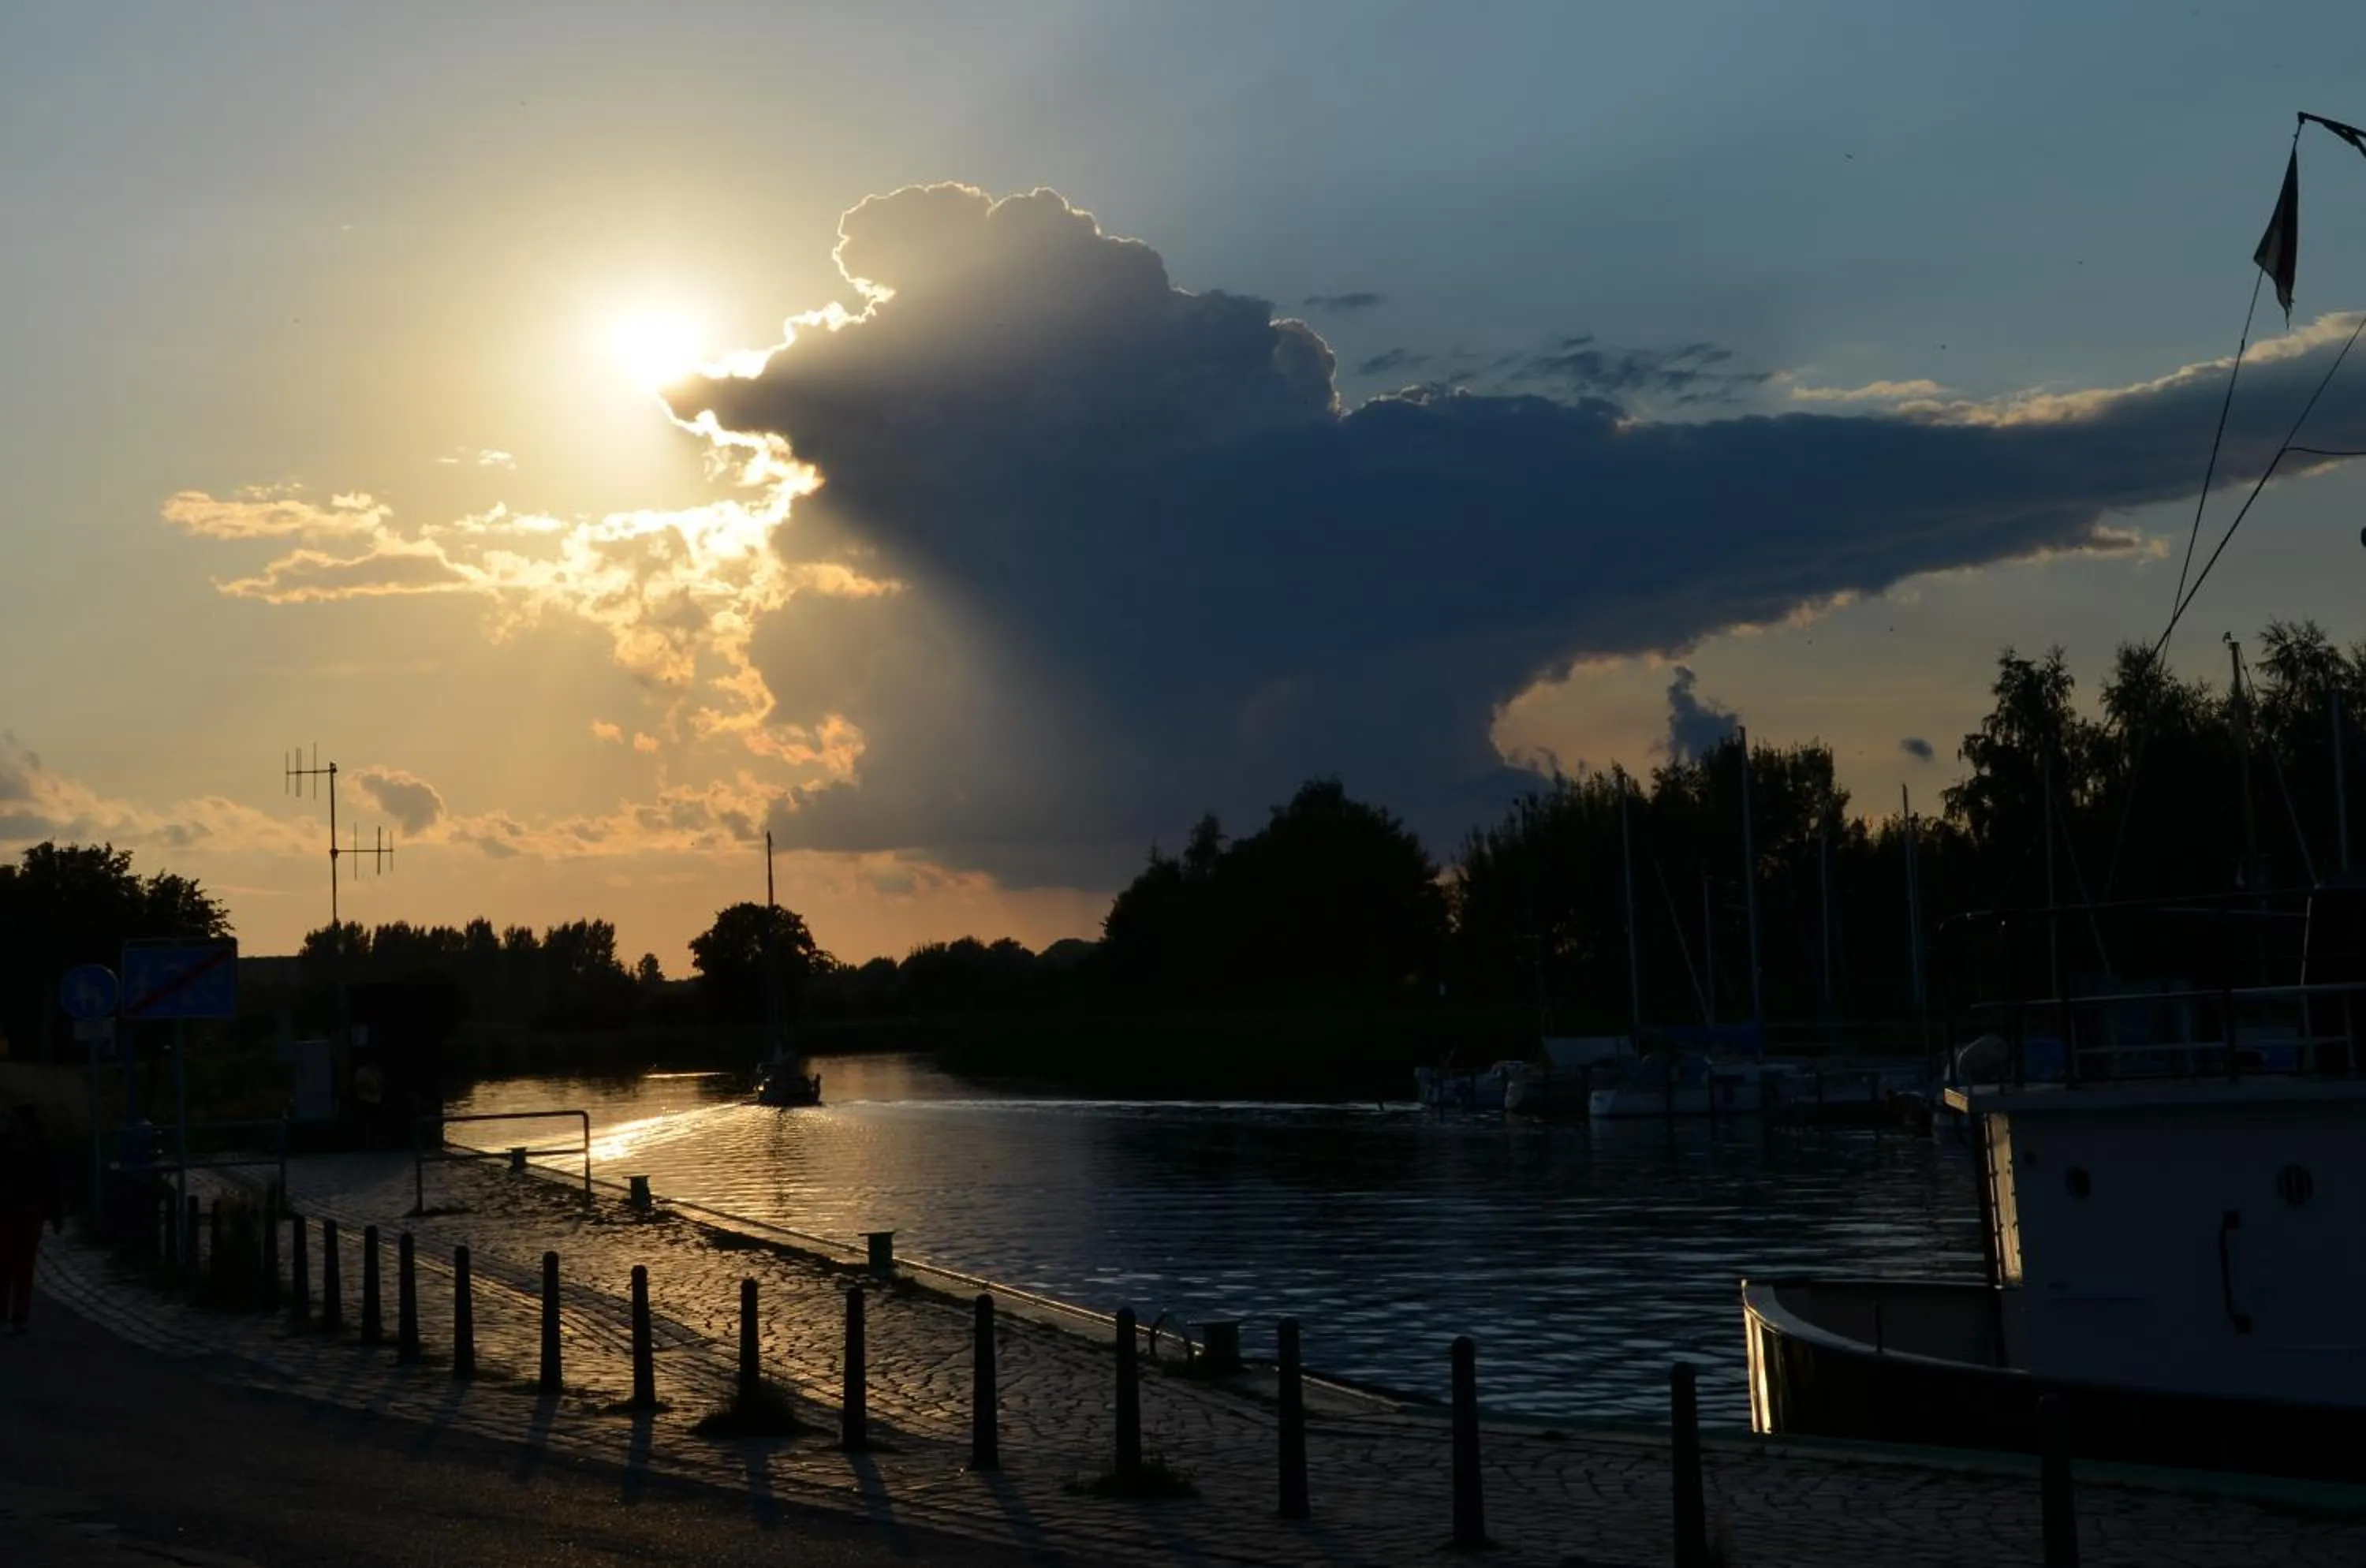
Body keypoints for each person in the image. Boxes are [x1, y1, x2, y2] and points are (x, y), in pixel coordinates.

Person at [0, 1103, 64, 1332]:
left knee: (23, 1264)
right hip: (10, 1208)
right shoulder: (7, 1144)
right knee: (6, 1262)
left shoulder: (38, 1147)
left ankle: (19, 1314)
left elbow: (51, 1181)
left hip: (30, 1208)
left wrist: (55, 1212)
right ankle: (7, 1313)